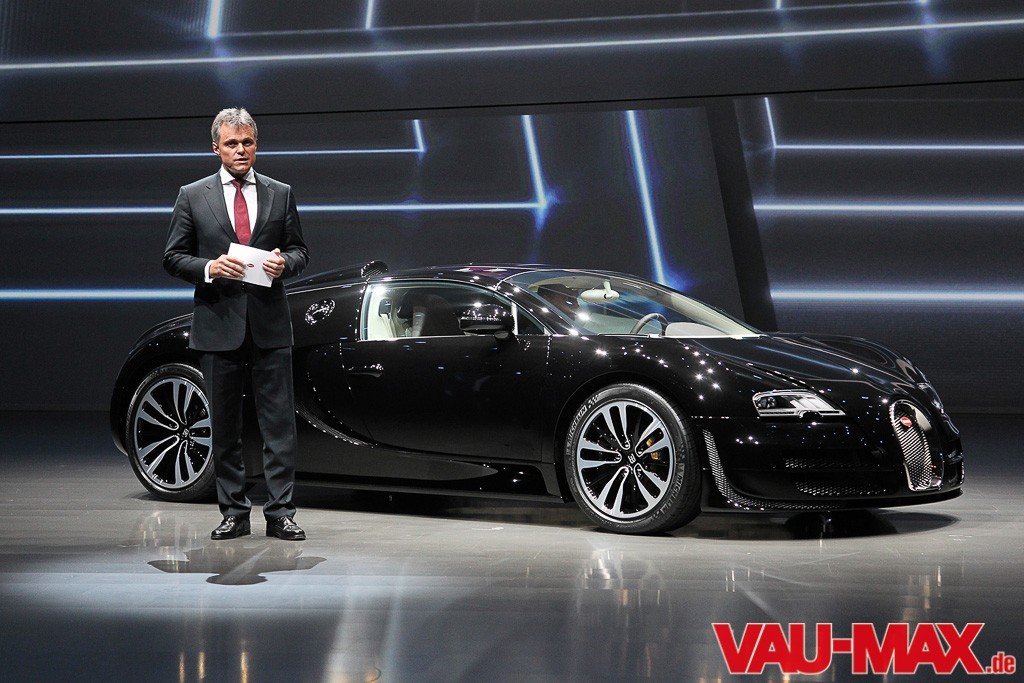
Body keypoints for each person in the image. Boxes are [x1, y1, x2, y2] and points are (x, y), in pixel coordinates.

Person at [163, 108, 309, 541]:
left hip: (269, 325)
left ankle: (281, 513)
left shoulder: (280, 193)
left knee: (278, 425)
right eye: (232, 143)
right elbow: (173, 257)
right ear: (216, 148)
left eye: (247, 142)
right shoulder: (193, 195)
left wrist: (285, 264)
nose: (240, 150)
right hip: (218, 323)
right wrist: (210, 267)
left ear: (256, 145)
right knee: (225, 426)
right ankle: (233, 512)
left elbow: (300, 250)